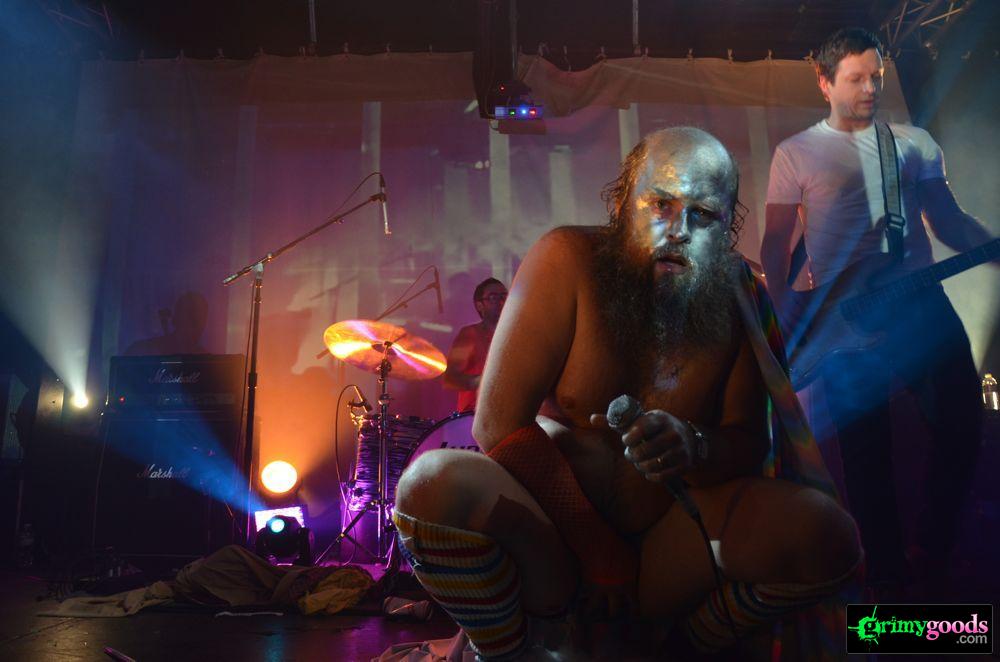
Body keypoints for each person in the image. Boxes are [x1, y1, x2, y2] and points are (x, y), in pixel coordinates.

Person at [393, 127, 862, 659]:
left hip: (666, 544)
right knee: (430, 484)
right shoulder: (567, 259)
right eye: (661, 204)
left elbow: (748, 442)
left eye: (703, 215)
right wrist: (600, 552)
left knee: (825, 532)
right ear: (621, 205)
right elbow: (496, 424)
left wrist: (693, 445)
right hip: (551, 546)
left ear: (727, 226)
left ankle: (683, 649)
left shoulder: (735, 295)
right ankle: (513, 651)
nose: (678, 230)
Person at [761, 28, 994, 598]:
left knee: (965, 425)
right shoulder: (796, 152)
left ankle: (932, 550)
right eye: (855, 79)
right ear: (824, 82)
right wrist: (789, 312)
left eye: (877, 77)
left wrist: (991, 246)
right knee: (866, 460)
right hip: (844, 320)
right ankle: (887, 580)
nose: (870, 89)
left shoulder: (913, 143)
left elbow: (947, 221)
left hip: (919, 305)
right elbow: (775, 243)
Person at [442, 278, 507, 412]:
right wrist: (482, 381)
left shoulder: (517, 335)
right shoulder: (470, 334)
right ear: (479, 306)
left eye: (504, 296)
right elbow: (450, 378)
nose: (500, 301)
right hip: (474, 415)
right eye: (493, 297)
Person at [124, 291, 209, 356]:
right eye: (192, 319)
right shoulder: (142, 351)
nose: (196, 328)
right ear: (175, 319)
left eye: (200, 321)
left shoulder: (205, 360)